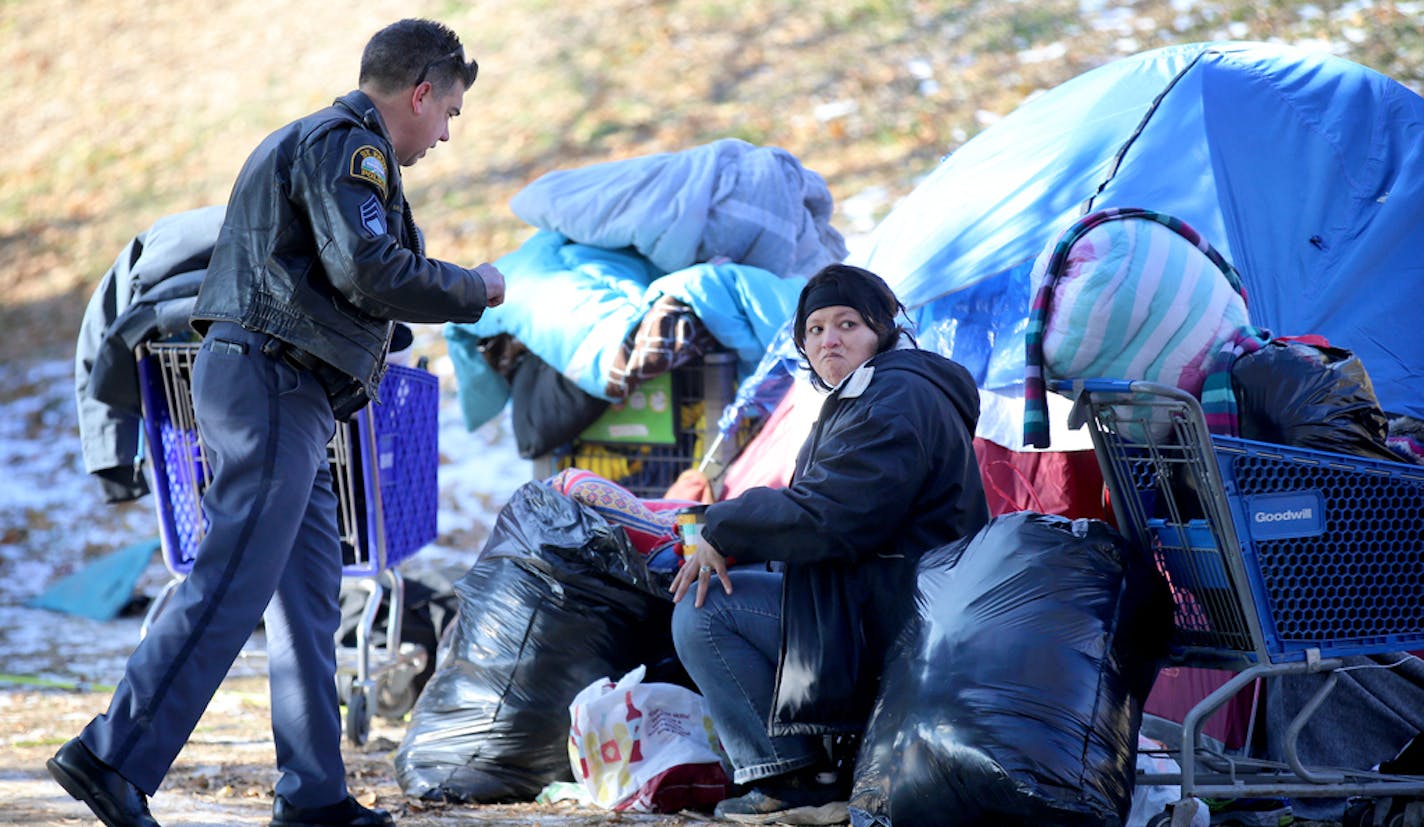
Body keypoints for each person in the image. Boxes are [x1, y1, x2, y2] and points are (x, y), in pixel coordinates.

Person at [47, 19, 504, 827]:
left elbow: (336, 274)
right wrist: (474, 286)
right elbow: (367, 267)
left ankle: (313, 794)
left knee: (307, 599)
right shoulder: (346, 145)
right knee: (232, 580)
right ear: (421, 91)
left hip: (290, 389)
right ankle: (110, 754)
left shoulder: (323, 146)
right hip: (269, 382)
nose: (445, 134)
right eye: (450, 113)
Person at [669, 263, 990, 825]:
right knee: (726, 585)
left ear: (882, 329)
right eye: (814, 329)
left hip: (899, 623)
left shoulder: (895, 397)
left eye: (847, 324)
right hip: (894, 601)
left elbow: (832, 517)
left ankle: (792, 781)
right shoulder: (876, 390)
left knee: (706, 609)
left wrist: (720, 524)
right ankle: (826, 767)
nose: (829, 339)